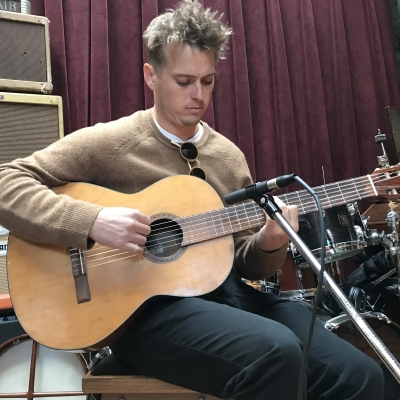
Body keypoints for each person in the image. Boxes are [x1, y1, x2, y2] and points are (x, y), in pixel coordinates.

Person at [0, 1, 392, 399]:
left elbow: (241, 258)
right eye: (184, 81)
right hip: (143, 315)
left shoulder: (227, 156)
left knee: (361, 374)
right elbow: (6, 182)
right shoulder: (112, 142)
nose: (198, 95)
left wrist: (268, 244)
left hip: (228, 299)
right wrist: (92, 221)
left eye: (208, 81)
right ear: (150, 76)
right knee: (275, 353)